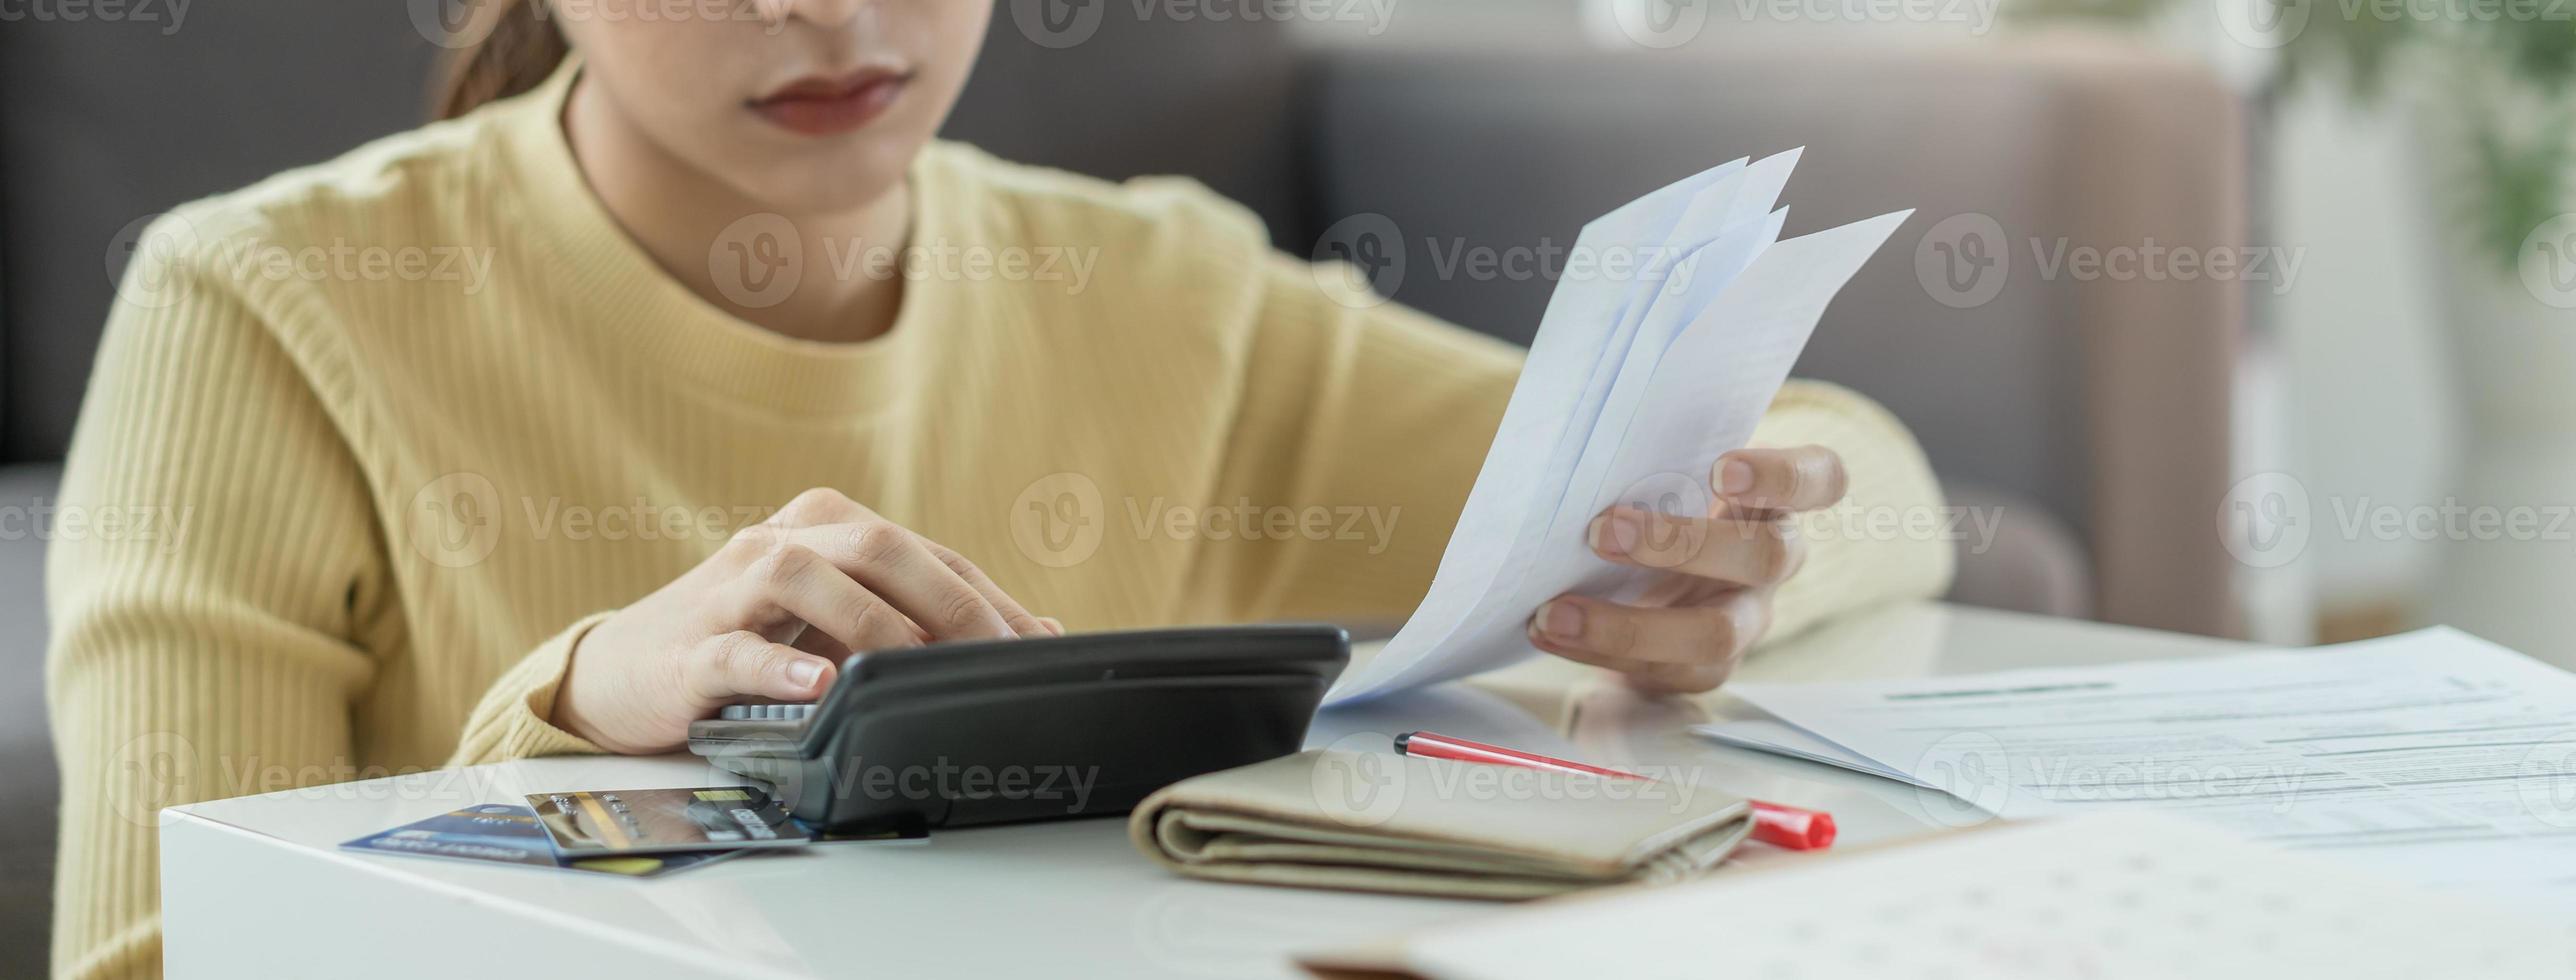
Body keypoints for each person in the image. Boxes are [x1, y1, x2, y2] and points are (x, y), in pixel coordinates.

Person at [44, 1, 1954, 975]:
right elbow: (157, 959)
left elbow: (1875, 467)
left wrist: (1729, 558)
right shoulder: (266, 306)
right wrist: (564, 718)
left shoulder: (1160, 294)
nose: (829, 10)